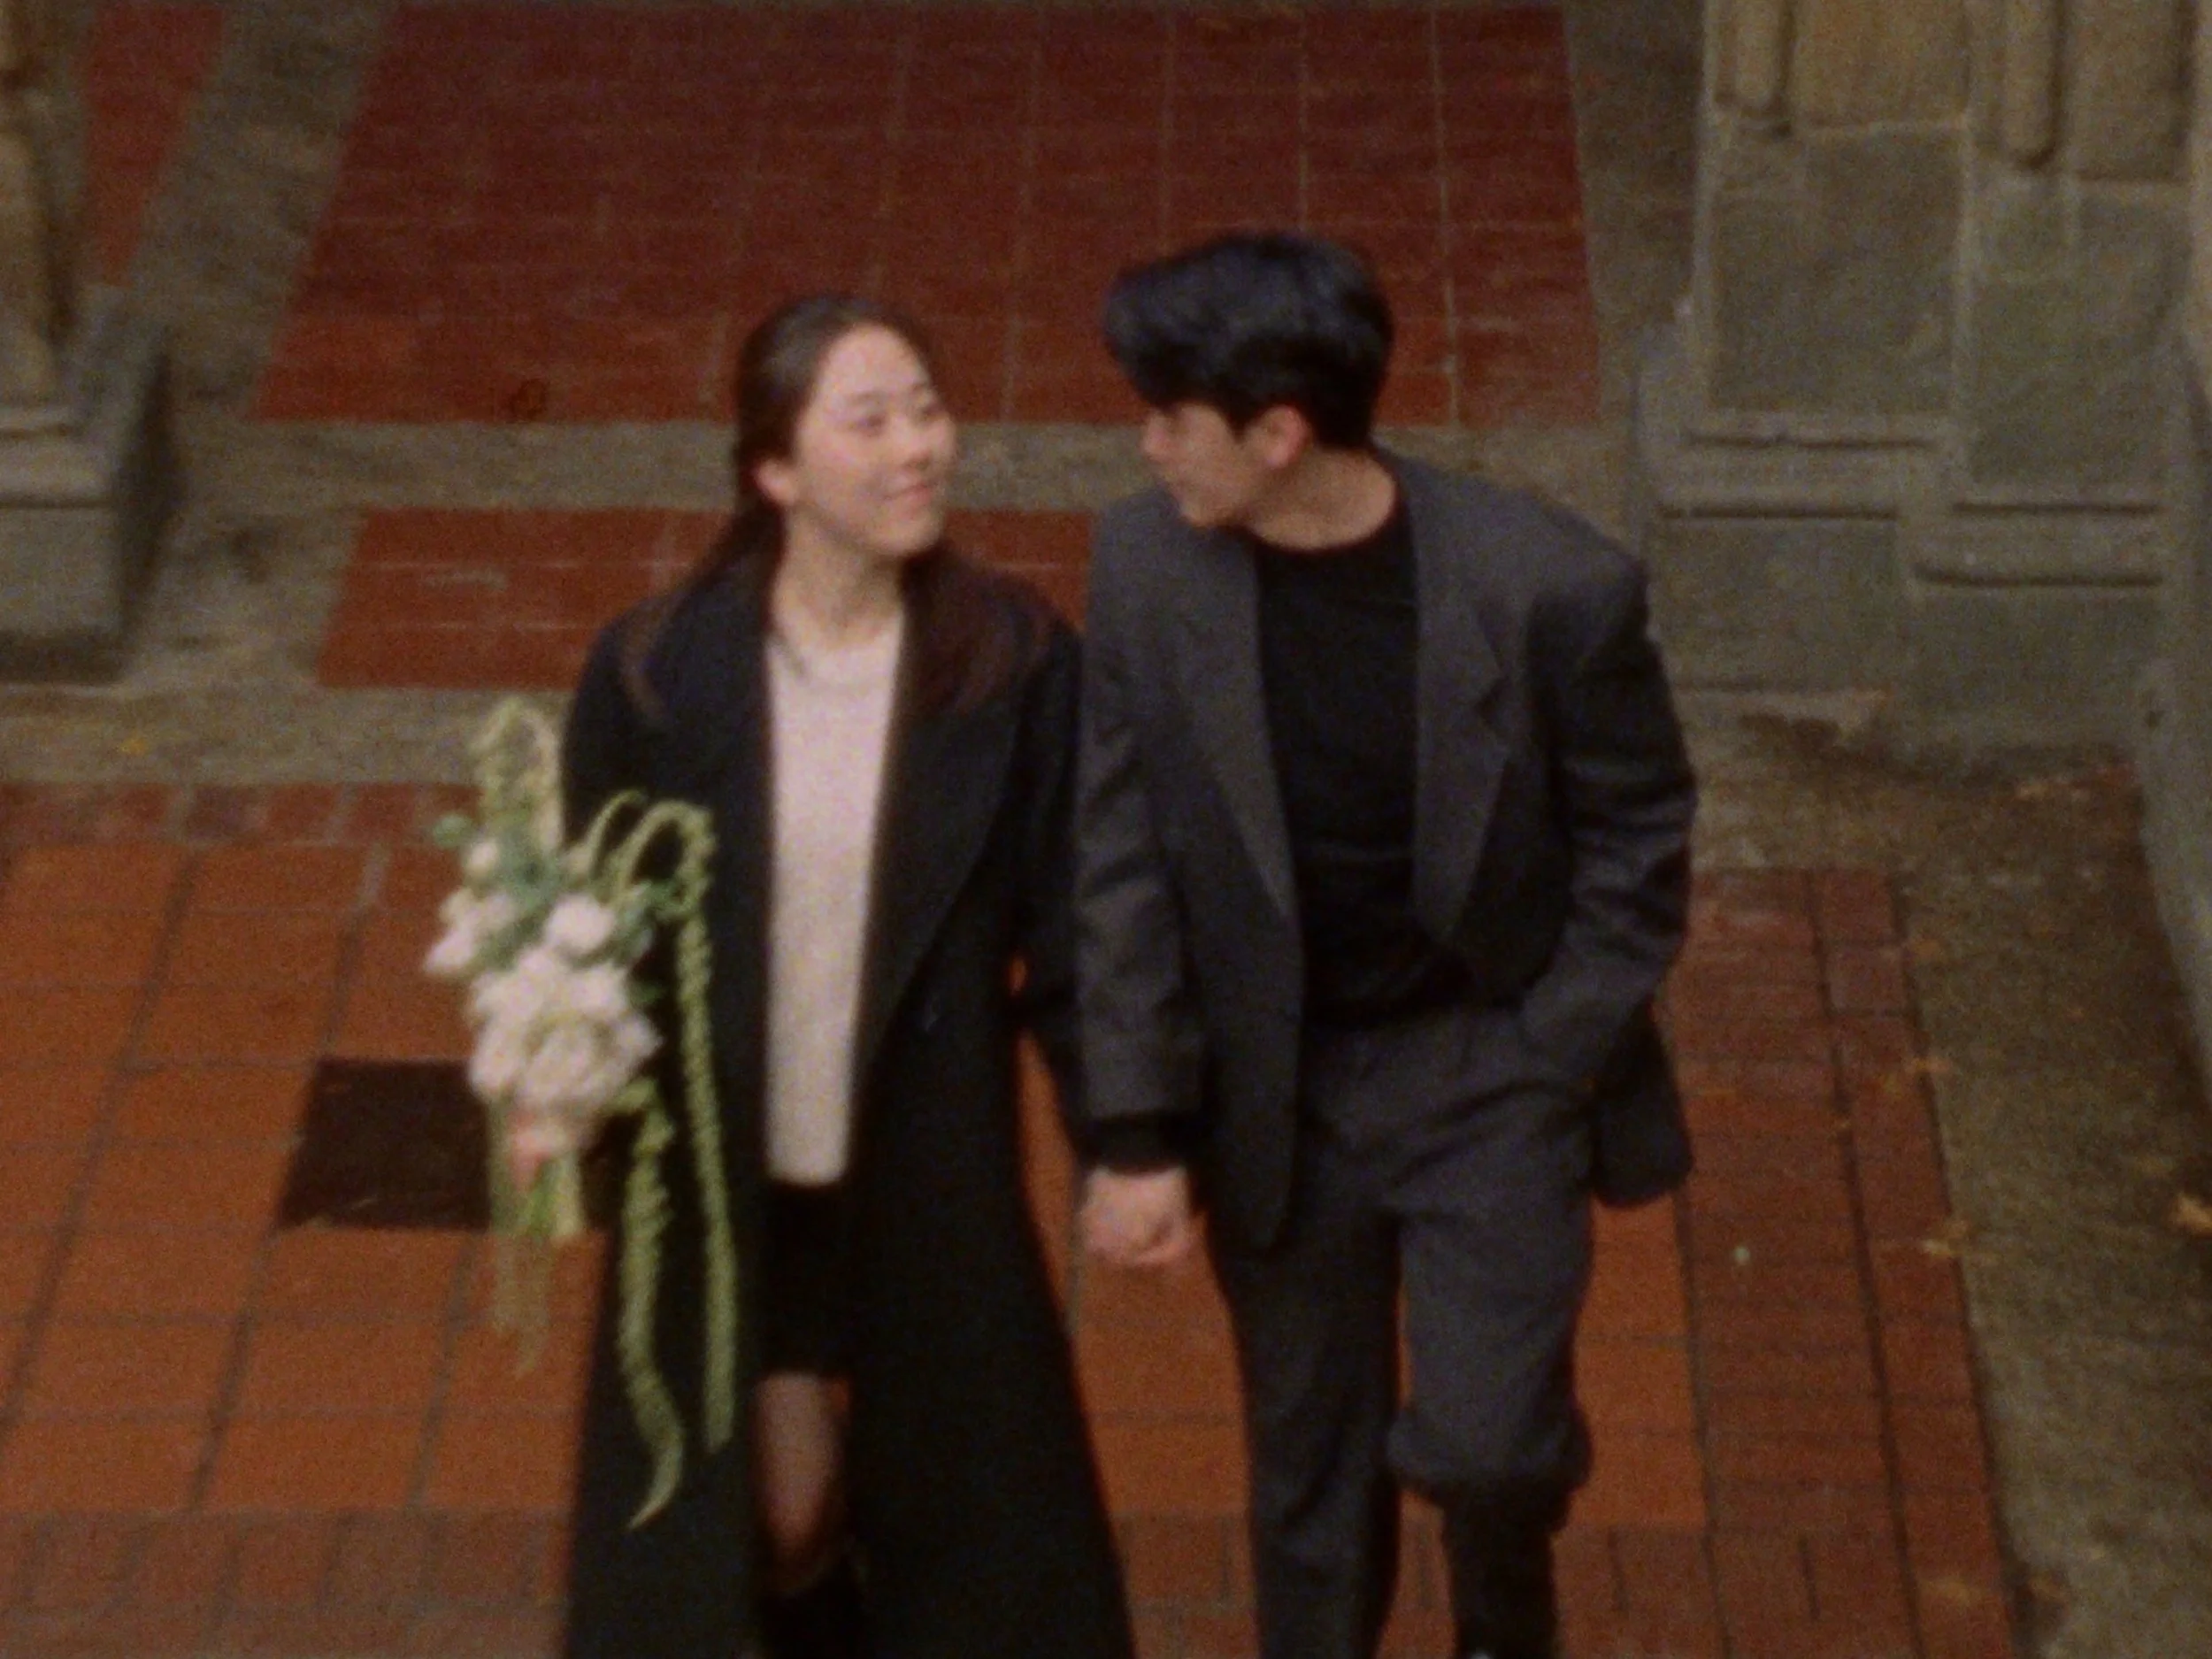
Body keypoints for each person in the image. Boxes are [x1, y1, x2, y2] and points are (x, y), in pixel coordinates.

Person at [1073, 233, 1698, 1659]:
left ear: (1280, 433)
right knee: (1311, 1469)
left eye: (1173, 414)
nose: (1148, 443)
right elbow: (1118, 852)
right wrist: (1137, 1122)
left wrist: (1548, 1057)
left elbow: (1640, 835)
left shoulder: (1550, 589)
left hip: (1486, 1066)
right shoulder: (1145, 566)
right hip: (1279, 1084)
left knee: (1489, 1447)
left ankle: (1500, 1620)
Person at [560, 295, 1133, 1659]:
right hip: (735, 1179)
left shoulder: (1013, 661)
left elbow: (1076, 926)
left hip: (925, 1168)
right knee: (781, 1513)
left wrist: (1131, 1138)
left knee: (968, 1528)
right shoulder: (655, 673)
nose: (918, 448)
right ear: (774, 470)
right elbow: (587, 931)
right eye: (869, 421)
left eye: (927, 410)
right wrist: (556, 1091)